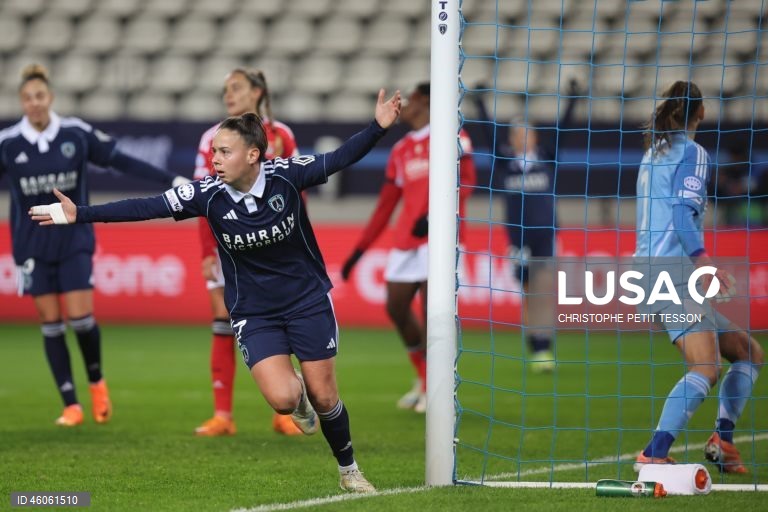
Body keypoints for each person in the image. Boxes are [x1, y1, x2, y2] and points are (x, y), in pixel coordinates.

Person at [30, 88, 402, 492]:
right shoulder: (207, 194)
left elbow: (341, 157)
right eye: (214, 152)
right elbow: (146, 206)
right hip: (254, 311)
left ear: (253, 155)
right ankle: (298, 399)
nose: (215, 158)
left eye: (224, 152)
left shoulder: (288, 176)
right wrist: (80, 214)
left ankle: (348, 470)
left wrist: (377, 128)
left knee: (326, 397)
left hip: (307, 300)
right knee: (283, 399)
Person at [0, 63, 189, 427]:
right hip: (30, 245)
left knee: (80, 317)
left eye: (40, 96)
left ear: (50, 97)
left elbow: (120, 160)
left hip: (73, 239)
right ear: (21, 102)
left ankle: (96, 382)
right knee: (50, 321)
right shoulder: (8, 143)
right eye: (27, 98)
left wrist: (170, 179)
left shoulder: (76, 133)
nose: (35, 103)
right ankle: (70, 403)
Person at [632, 81, 763, 474]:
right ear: (701, 113)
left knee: (747, 352)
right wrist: (704, 262)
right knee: (705, 368)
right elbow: (680, 216)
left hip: (652, 271)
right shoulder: (693, 153)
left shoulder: (653, 154)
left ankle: (722, 440)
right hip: (670, 273)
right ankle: (653, 453)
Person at [340, 82, 476, 413]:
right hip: (406, 241)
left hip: (440, 238)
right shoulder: (401, 150)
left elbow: (468, 181)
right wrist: (359, 251)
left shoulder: (452, 136)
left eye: (410, 101)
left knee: (434, 313)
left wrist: (435, 216)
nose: (403, 108)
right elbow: (386, 206)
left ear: (425, 103)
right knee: (396, 306)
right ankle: (424, 378)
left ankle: (440, 388)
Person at [192, 68, 302, 437]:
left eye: (235, 88)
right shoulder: (212, 138)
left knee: (280, 318)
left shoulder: (282, 135)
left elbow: (296, 195)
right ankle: (223, 415)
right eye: (224, 90)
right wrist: (207, 251)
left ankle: (284, 411)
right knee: (222, 320)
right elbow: (201, 200)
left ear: (257, 92)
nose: (228, 95)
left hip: (275, 249)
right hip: (228, 246)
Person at [472, 80, 580, 373]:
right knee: (529, 290)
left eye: (527, 133)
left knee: (543, 289)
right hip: (518, 238)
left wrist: (573, 100)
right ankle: (535, 343)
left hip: (546, 234)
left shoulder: (547, 157)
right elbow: (488, 134)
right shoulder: (504, 162)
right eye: (517, 134)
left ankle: (544, 347)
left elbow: (564, 130)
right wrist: (480, 102)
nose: (522, 138)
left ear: (534, 137)